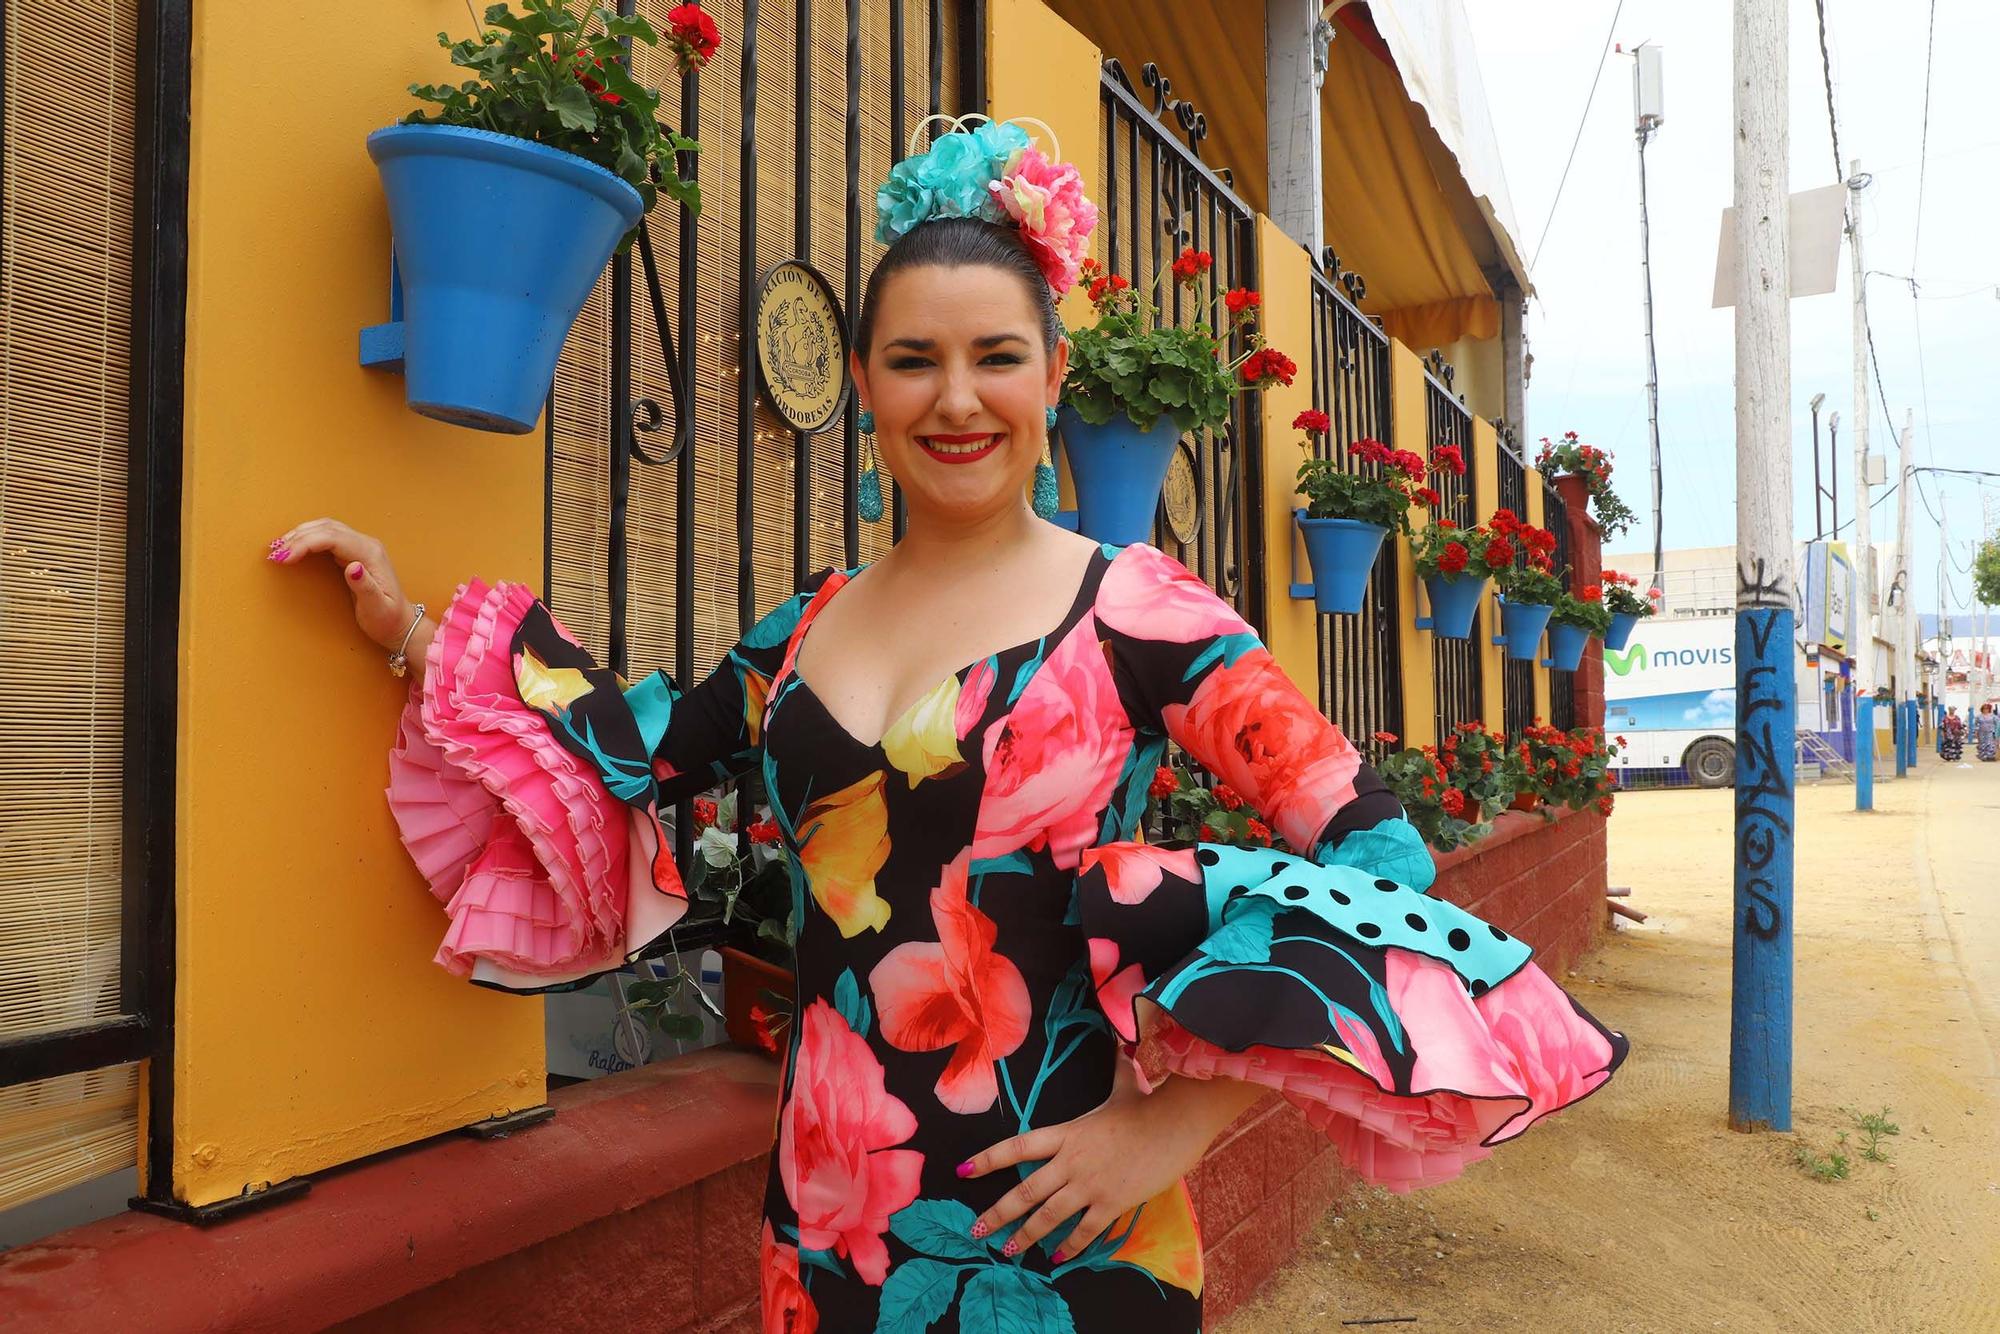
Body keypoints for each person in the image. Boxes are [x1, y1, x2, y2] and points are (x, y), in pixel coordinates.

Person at [272, 119, 1623, 1333]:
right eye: (915, 359)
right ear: (864, 381)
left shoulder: (1140, 611)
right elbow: (624, 747)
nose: (956, 397)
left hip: (1071, 1239)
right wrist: (407, 629)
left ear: (1055, 374)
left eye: (997, 357)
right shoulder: (797, 632)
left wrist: (1174, 1128)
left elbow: (1377, 860)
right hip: (824, 1227)